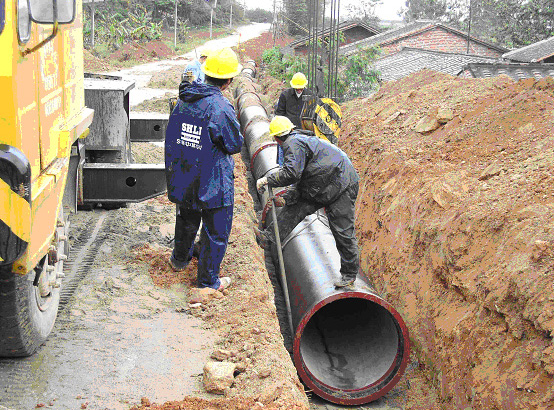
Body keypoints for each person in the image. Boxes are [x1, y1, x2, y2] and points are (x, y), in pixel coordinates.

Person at [165, 47, 243, 292]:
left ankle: (179, 260)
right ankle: (208, 281)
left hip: (185, 174)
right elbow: (233, 143)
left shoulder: (184, 99)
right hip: (212, 180)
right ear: (228, 80)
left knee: (187, 220)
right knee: (216, 232)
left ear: (205, 73)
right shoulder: (219, 107)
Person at [255, 116, 360, 288]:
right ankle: (268, 238)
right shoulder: (299, 140)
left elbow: (292, 174)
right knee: (294, 209)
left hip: (341, 185)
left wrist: (267, 179)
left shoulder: (292, 143)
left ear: (276, 137)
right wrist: (288, 197)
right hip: (322, 183)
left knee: (342, 231)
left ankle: (349, 275)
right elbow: (302, 177)